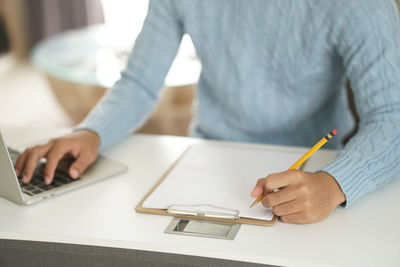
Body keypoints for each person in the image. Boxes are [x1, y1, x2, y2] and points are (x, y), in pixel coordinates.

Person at [14, 0, 400, 224]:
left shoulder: (361, 6)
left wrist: (335, 184)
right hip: (208, 159)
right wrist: (90, 132)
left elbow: (392, 116)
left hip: (313, 167)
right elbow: (139, 83)